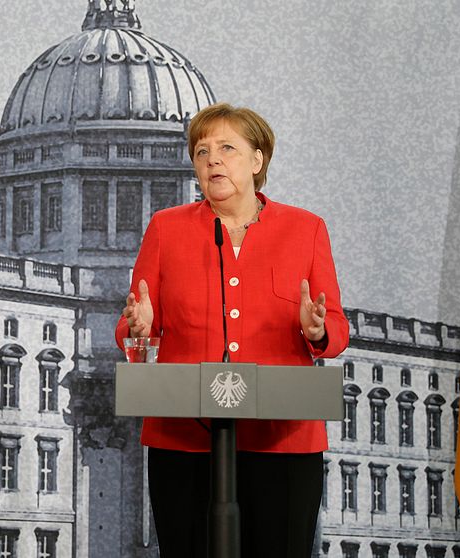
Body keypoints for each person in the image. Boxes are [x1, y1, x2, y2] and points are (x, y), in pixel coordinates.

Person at [117, 103, 349, 558]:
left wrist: (317, 330)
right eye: (202, 151)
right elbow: (133, 329)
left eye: (227, 148)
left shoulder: (306, 229)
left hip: (284, 440)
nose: (212, 160)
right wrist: (138, 326)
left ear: (258, 160)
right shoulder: (166, 229)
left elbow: (337, 330)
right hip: (183, 439)